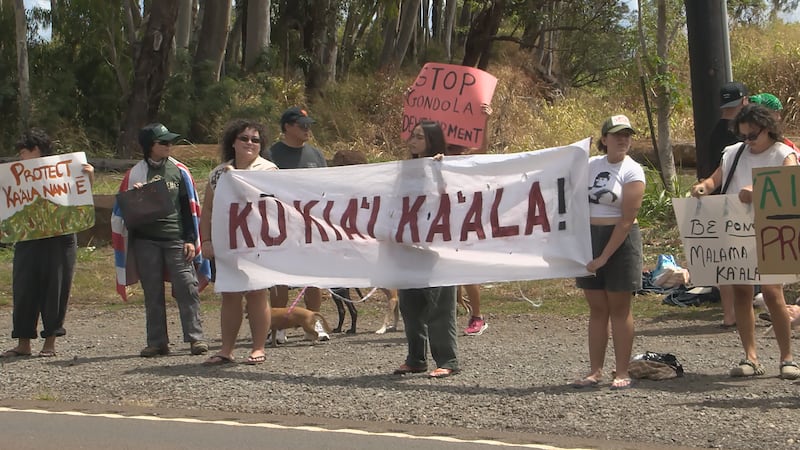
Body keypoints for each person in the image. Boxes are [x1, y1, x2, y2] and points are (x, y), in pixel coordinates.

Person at [691, 104, 800, 380]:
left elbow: (791, 187)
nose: (748, 141)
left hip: (772, 229)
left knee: (773, 292)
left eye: (753, 135)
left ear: (768, 129)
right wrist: (703, 188)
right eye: (743, 136)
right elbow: (717, 179)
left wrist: (760, 190)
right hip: (737, 229)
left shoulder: (784, 154)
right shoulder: (733, 153)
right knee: (742, 291)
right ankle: (751, 356)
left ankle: (787, 357)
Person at [111, 123, 210, 357]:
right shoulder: (134, 174)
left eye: (169, 142)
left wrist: (189, 239)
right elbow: (122, 211)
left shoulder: (180, 171)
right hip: (146, 241)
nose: (169, 146)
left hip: (176, 239)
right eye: (163, 142)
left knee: (187, 286)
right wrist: (136, 195)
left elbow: (189, 208)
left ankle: (195, 338)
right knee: (152, 291)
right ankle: (157, 342)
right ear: (149, 146)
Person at [2, 129, 94, 358]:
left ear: (37, 150)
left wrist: (88, 177)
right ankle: (23, 342)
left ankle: (50, 342)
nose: (21, 156)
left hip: (60, 239)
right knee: (24, 289)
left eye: (24, 151)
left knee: (56, 288)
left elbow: (80, 198)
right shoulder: (15, 175)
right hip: (28, 238)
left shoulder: (65, 169)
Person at [573, 115, 645, 391]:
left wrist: (603, 257)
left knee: (619, 308)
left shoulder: (633, 170)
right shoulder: (590, 165)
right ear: (604, 139)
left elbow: (628, 218)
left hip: (620, 240)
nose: (622, 139)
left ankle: (622, 369)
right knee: (597, 308)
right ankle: (595, 370)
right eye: (616, 135)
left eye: (627, 135)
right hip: (590, 236)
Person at [201, 119, 277, 365]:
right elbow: (208, 210)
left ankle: (258, 347)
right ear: (233, 142)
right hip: (227, 242)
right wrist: (206, 240)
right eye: (244, 138)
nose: (250, 143)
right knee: (230, 295)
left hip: (257, 242)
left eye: (255, 140)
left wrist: (237, 179)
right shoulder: (217, 174)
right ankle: (226, 350)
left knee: (257, 293)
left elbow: (269, 204)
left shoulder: (269, 171)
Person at [392, 120, 459, 378]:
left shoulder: (443, 167)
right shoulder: (405, 170)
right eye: (412, 135)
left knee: (439, 305)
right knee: (410, 305)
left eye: (419, 136)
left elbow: (450, 195)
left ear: (432, 141)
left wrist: (441, 169)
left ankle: (448, 359)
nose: (413, 140)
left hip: (436, 247)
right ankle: (415, 358)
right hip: (409, 245)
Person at [262, 106, 329, 344]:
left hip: (310, 225)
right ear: (287, 127)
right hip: (280, 224)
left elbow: (327, 188)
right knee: (279, 276)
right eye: (302, 125)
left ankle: (314, 323)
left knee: (313, 276)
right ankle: (278, 327)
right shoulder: (271, 155)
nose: (307, 130)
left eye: (309, 125)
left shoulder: (316, 155)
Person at [699, 82, 749, 328]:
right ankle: (733, 313)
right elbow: (716, 174)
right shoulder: (736, 136)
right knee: (732, 261)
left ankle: (731, 313)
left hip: (724, 200)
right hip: (732, 201)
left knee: (728, 262)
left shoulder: (716, 131)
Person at [444, 103, 492, 336]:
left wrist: (484, 120)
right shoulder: (436, 156)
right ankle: (443, 315)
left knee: (466, 270)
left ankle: (477, 316)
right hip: (442, 220)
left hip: (466, 220)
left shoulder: (467, 158)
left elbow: (482, 148)